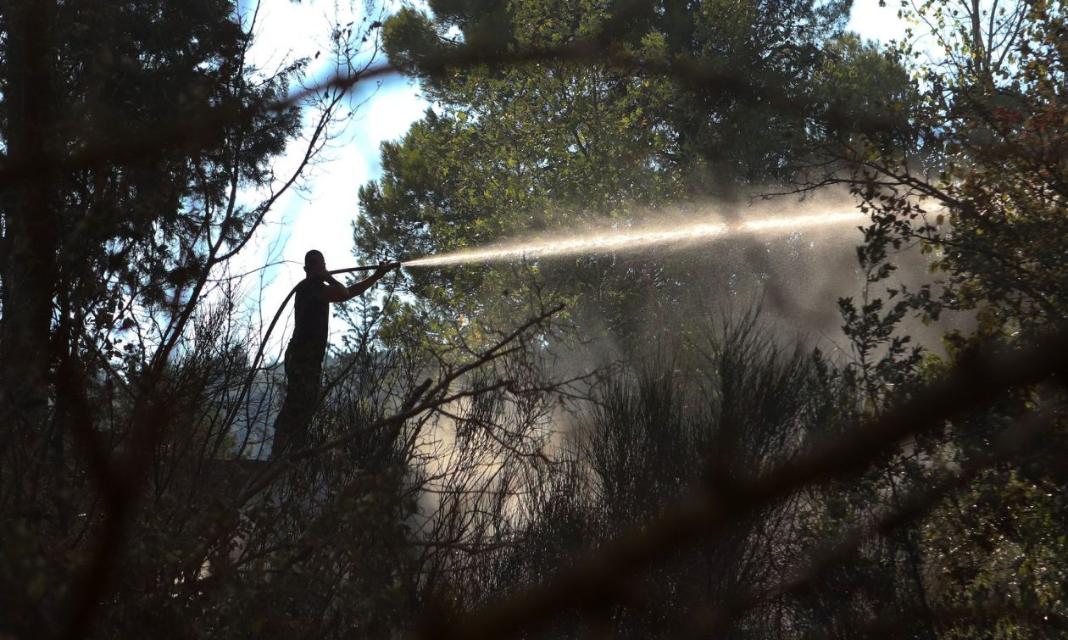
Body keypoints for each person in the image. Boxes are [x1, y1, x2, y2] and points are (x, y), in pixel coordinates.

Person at [271, 250, 395, 459]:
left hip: (307, 356)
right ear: (307, 269)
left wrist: (376, 276)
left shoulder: (318, 288)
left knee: (306, 403)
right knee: (298, 402)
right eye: (314, 264)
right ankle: (281, 455)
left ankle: (292, 455)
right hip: (302, 355)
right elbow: (345, 293)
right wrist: (327, 276)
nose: (318, 267)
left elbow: (348, 291)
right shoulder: (309, 288)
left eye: (321, 264)